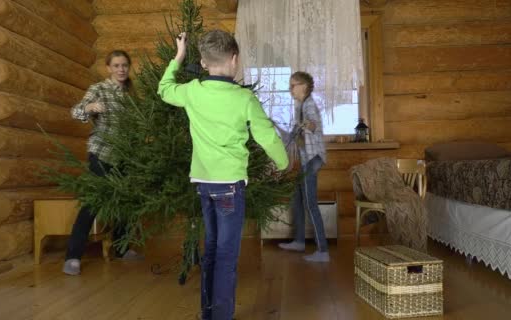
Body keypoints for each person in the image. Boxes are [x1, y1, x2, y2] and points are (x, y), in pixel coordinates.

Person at [158, 30, 289, 320]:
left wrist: (178, 56)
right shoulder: (244, 98)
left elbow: (164, 89)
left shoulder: (193, 90)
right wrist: (282, 163)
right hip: (230, 186)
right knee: (227, 257)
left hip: (203, 184)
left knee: (213, 249)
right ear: (234, 60)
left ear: (204, 64)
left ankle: (208, 314)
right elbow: (267, 137)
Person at [63, 50, 143, 276]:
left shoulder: (131, 95)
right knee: (92, 204)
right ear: (108, 68)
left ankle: (123, 249)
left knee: (125, 204)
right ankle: (72, 257)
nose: (121, 69)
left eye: (125, 65)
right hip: (101, 154)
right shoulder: (98, 89)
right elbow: (76, 111)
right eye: (116, 65)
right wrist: (89, 108)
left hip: (125, 157)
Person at [278, 71, 330, 262]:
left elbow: (313, 123)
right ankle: (299, 241)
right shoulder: (299, 105)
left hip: (313, 159)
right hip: (307, 158)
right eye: (290, 86)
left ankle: (323, 251)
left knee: (310, 202)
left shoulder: (309, 105)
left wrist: (307, 124)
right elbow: (292, 136)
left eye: (293, 85)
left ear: (304, 86)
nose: (290, 89)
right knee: (296, 199)